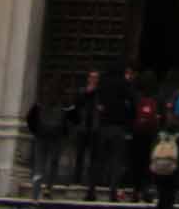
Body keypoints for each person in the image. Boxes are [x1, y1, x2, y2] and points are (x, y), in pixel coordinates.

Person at [93, 63, 133, 202]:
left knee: (99, 160)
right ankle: (113, 192)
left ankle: (91, 190)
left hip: (104, 125)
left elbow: (97, 99)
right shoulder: (123, 83)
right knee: (116, 160)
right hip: (118, 126)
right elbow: (131, 100)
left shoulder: (103, 82)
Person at [27, 79, 70, 199]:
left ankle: (35, 193)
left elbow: (30, 118)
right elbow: (67, 122)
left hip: (41, 137)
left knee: (39, 166)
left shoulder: (40, 103)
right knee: (53, 163)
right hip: (55, 138)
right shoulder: (63, 104)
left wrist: (35, 131)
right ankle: (48, 189)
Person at [129, 69, 163, 202]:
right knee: (150, 162)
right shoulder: (158, 96)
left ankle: (136, 191)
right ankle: (147, 190)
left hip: (137, 133)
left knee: (137, 161)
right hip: (152, 134)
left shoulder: (136, 95)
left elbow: (131, 114)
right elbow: (162, 116)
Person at [149, 104, 179, 209]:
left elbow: (152, 152)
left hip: (158, 170)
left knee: (161, 195)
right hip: (172, 171)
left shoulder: (159, 135)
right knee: (169, 196)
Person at [70, 70, 103, 192]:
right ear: (88, 79)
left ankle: (91, 181)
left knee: (94, 157)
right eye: (92, 77)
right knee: (80, 155)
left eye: (96, 78)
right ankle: (76, 180)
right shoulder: (81, 91)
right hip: (83, 127)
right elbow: (76, 106)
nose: (94, 80)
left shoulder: (100, 93)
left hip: (94, 128)